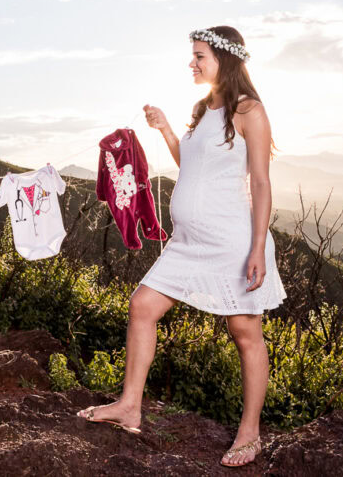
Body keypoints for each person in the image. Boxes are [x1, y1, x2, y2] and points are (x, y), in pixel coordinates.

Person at [78, 26, 286, 468]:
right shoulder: (203, 109)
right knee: (142, 306)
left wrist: (256, 248)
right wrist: (167, 130)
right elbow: (190, 167)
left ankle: (250, 433)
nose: (191, 63)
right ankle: (129, 405)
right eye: (192, 56)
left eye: (199, 56)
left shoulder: (249, 111)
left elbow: (262, 183)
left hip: (232, 240)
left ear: (224, 60)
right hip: (188, 243)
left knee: (245, 333)